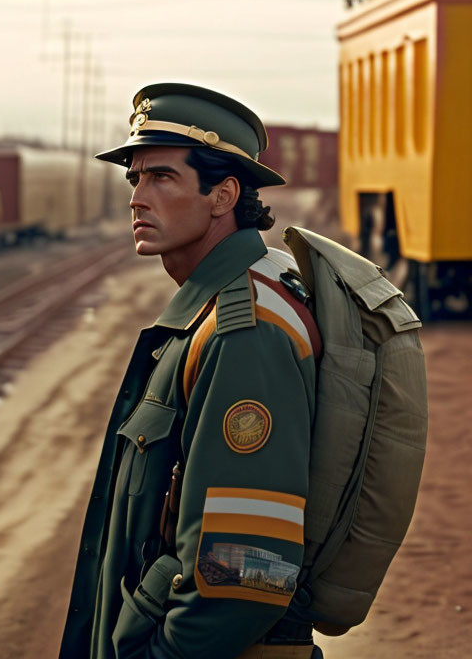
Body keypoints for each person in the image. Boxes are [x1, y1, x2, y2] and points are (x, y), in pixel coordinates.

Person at [59, 84, 323, 658]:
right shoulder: (215, 308)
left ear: (223, 194)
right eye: (135, 179)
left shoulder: (244, 332)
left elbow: (245, 576)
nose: (137, 197)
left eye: (162, 177)